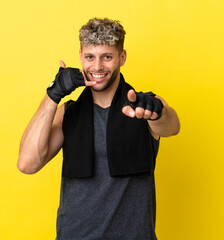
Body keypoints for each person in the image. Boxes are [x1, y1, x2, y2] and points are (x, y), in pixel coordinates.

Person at [17, 17, 180, 240]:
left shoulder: (141, 106)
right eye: (90, 57)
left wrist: (157, 111)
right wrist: (53, 94)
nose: (97, 67)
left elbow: (172, 126)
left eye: (107, 57)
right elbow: (27, 163)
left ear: (121, 57)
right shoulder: (68, 113)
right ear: (81, 57)